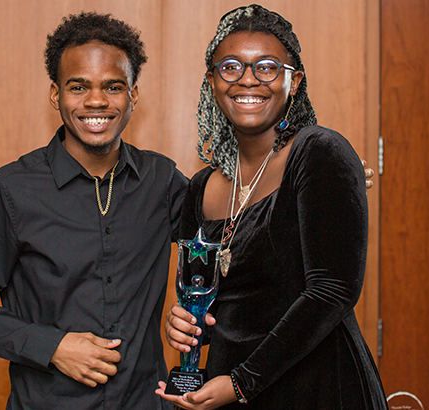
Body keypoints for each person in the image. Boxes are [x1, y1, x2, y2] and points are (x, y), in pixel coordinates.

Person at [0, 12, 185, 409]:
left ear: (133, 96)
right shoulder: (11, 190)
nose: (96, 101)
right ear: (56, 95)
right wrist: (52, 346)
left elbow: (223, 246)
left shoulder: (162, 180)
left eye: (113, 86)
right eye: (78, 86)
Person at [157, 4, 387, 409]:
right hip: (229, 387)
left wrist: (242, 383)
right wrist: (188, 325)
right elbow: (225, 308)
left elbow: (333, 291)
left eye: (266, 67)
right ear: (212, 81)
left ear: (293, 82)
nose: (247, 79)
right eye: (230, 67)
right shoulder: (200, 188)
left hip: (319, 387)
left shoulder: (318, 153)